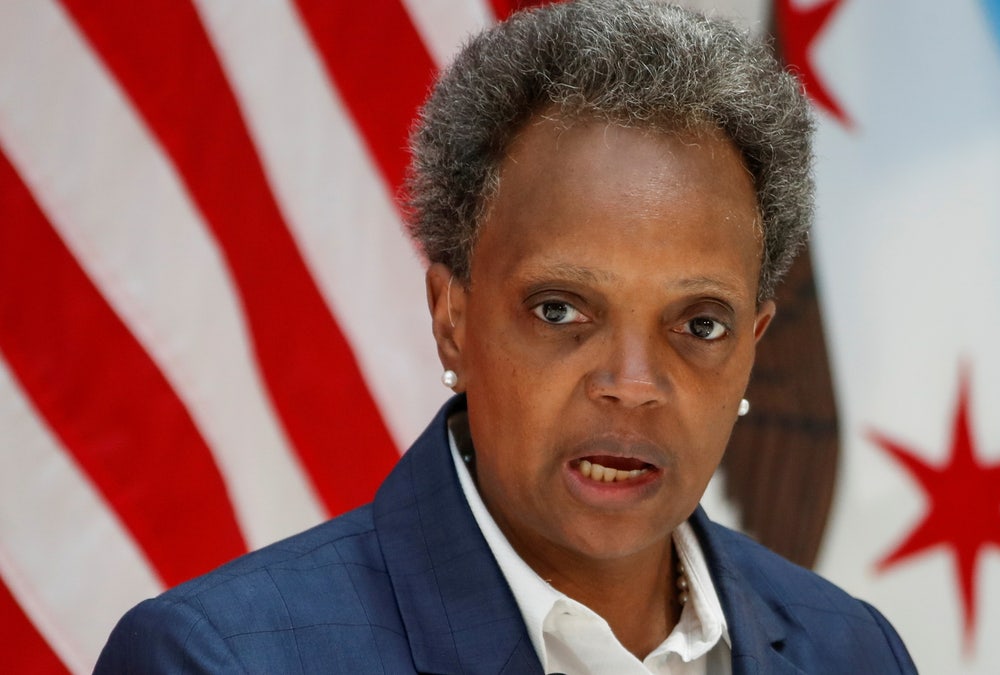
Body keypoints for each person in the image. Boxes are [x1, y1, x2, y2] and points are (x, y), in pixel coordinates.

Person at [95, 1, 916, 673]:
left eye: (699, 323)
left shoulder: (851, 649)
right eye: (561, 309)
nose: (633, 381)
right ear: (452, 317)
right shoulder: (215, 658)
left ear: (754, 343)